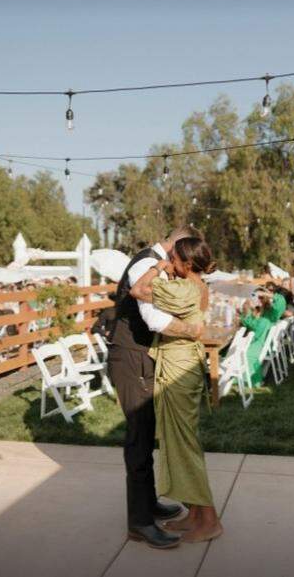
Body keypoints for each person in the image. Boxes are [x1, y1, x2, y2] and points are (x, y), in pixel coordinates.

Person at [107, 226, 206, 550]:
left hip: (142, 356)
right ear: (177, 246)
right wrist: (191, 330)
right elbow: (154, 320)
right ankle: (140, 523)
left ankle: (149, 504)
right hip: (132, 357)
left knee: (147, 432)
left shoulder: (157, 264)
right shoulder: (147, 265)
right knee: (138, 436)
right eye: (185, 253)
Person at [129, 236, 223, 543]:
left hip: (179, 368)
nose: (170, 261)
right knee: (181, 441)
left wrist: (157, 267)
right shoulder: (196, 286)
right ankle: (194, 515)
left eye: (174, 258)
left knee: (185, 444)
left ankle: (209, 520)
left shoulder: (185, 289)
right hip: (184, 363)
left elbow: (137, 290)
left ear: (186, 263)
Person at [239, 287, 286, 387]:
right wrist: (246, 311)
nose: (257, 299)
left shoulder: (271, 313)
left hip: (258, 346)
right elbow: (249, 323)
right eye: (254, 296)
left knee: (234, 349)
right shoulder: (257, 311)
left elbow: (281, 301)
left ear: (266, 298)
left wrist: (266, 294)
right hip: (255, 342)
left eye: (260, 297)